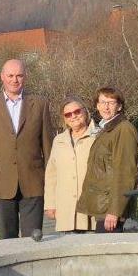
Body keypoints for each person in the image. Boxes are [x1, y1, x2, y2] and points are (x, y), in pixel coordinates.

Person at [0, 58, 54, 238]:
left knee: (33, 238)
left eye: (19, 75)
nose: (14, 80)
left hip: (33, 182)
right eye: (10, 75)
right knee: (7, 240)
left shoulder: (40, 104)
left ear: (25, 77)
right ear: (2, 77)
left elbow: (48, 146)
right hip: (1, 183)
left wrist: (51, 183)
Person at [77, 86, 138, 233]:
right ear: (97, 105)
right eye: (102, 102)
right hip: (103, 205)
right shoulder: (107, 129)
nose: (106, 107)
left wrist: (114, 211)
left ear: (119, 106)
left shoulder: (124, 130)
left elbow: (125, 173)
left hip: (110, 210)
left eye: (111, 102)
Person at [44, 96, 96, 232]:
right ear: (64, 119)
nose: (73, 116)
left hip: (91, 206)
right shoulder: (58, 140)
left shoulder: (97, 137)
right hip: (65, 208)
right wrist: (50, 204)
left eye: (77, 111)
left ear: (85, 111)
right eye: (68, 114)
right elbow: (51, 175)